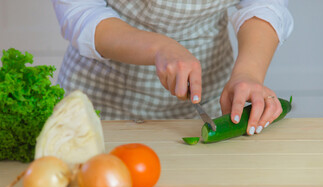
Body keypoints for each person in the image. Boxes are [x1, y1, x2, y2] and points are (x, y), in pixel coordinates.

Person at [52, 0, 293, 135]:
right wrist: (158, 47)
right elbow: (80, 12)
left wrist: (248, 74)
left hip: (207, 92)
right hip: (99, 95)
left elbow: (263, 5)